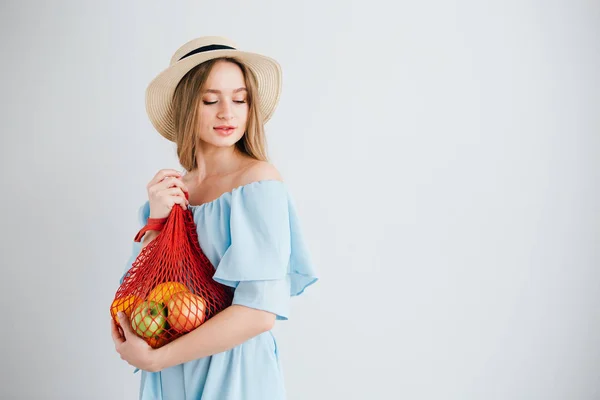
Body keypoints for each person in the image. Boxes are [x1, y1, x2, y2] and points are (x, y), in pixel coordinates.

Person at [110, 36, 318, 399]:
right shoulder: (170, 193)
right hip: (170, 375)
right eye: (210, 100)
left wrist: (157, 360)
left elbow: (258, 313)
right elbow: (139, 299)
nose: (228, 113)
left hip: (234, 374)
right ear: (186, 108)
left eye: (239, 99)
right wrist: (157, 221)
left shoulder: (258, 184)